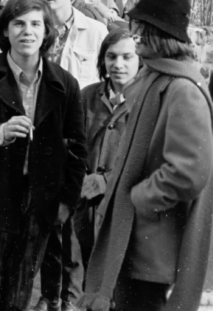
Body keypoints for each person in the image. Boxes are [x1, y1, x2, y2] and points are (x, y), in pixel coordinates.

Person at [0, 0, 87, 311]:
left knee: (17, 299)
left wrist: (64, 205)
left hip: (39, 206)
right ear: (5, 30)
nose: (27, 31)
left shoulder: (65, 84)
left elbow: (78, 152)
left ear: (46, 31)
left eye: (36, 23)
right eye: (18, 23)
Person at [82, 0, 213, 311]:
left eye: (142, 31)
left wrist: (138, 198)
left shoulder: (182, 89)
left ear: (160, 36)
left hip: (150, 245)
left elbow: (188, 172)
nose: (135, 38)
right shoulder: (155, 80)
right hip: (134, 239)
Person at [33, 0, 106, 311]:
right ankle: (49, 294)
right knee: (47, 217)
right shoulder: (38, 30)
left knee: (74, 223)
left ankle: (72, 299)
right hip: (43, 134)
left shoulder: (94, 31)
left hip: (78, 135)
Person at [73, 29, 140, 272]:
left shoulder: (150, 102)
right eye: (111, 57)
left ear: (140, 59)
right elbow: (70, 146)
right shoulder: (87, 96)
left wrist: (107, 181)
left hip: (127, 209)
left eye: (127, 57)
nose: (118, 64)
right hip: (85, 207)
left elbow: (152, 160)